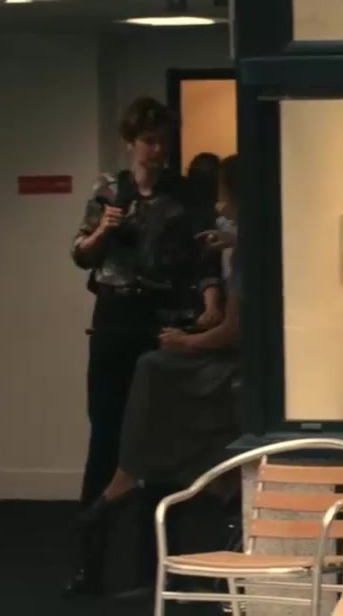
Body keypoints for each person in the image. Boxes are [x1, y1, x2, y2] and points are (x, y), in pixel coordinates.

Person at [65, 96, 224, 597]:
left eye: (163, 142)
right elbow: (79, 253)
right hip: (115, 319)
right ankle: (91, 566)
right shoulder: (109, 190)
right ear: (131, 143)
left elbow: (202, 258)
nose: (157, 151)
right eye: (149, 141)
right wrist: (104, 231)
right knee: (105, 440)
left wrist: (210, 303)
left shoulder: (184, 195)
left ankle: (157, 566)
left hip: (161, 320)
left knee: (160, 445)